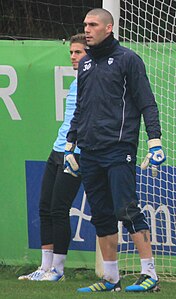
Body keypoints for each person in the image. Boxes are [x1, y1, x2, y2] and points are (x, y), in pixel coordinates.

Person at [64, 8, 166, 293]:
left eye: (93, 24)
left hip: (119, 149)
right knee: (101, 214)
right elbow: (81, 108)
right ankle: (111, 279)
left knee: (127, 209)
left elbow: (147, 103)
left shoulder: (128, 60)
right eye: (85, 24)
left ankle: (150, 275)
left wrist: (154, 141)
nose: (87, 29)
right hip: (90, 151)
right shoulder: (85, 65)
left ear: (108, 28)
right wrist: (70, 145)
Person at [18, 33, 87, 281]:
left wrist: (74, 148)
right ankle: (44, 267)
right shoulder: (76, 82)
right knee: (44, 207)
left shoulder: (94, 82)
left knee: (59, 209)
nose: (73, 57)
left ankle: (58, 270)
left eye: (78, 52)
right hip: (57, 149)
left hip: (77, 154)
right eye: (71, 52)